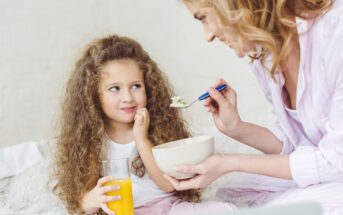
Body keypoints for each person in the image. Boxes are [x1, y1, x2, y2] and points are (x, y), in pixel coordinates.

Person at [164, 0, 343, 214]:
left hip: (337, 171)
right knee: (231, 192)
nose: (208, 35)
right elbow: (298, 142)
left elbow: (335, 162)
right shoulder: (264, 54)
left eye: (204, 18)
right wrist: (237, 128)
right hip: (330, 170)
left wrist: (229, 162)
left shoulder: (336, 35)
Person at [52, 34, 236, 215]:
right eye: (114, 88)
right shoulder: (89, 137)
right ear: (93, 95)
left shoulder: (159, 127)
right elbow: (79, 202)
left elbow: (167, 185)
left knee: (226, 210)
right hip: (121, 211)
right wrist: (88, 202)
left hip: (167, 206)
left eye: (136, 86)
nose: (128, 98)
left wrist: (142, 139)